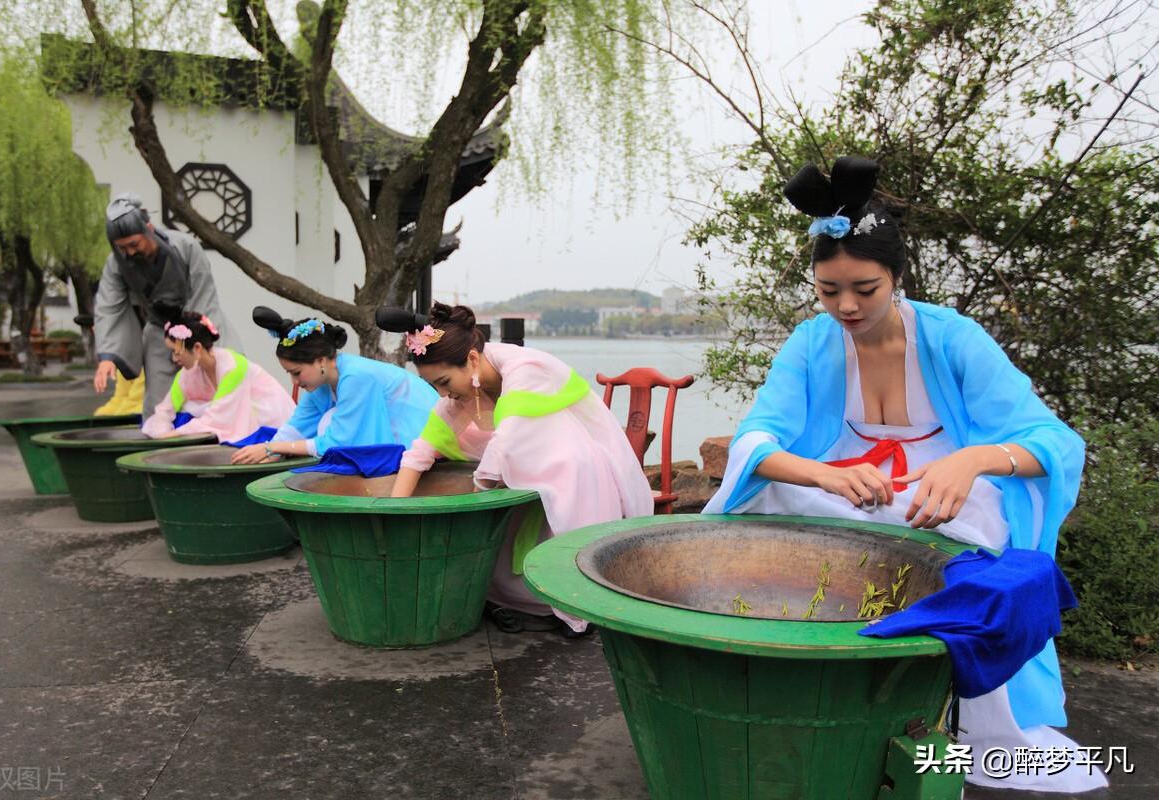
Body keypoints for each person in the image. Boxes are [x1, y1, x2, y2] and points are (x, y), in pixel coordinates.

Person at [703, 156, 1104, 793]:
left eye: (865, 289)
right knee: (766, 492)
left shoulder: (952, 338)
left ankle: (972, 722)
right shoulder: (811, 342)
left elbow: (1052, 441)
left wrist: (971, 459)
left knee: (978, 519)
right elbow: (758, 439)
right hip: (850, 489)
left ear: (896, 276)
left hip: (945, 494)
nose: (846, 306)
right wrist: (819, 474)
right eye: (829, 290)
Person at [382, 302, 654, 637]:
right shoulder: (462, 389)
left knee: (562, 481)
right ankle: (515, 598)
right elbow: (420, 452)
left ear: (470, 360)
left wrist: (473, 500)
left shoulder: (526, 369)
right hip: (524, 468)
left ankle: (573, 603)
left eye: (443, 382)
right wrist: (393, 514)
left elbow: (508, 440)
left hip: (573, 465)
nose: (442, 393)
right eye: (433, 386)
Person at [230, 307, 436, 464]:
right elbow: (296, 428)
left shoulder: (356, 377)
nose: (294, 382)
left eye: (296, 373)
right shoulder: (321, 383)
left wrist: (274, 448)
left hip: (423, 439)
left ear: (320, 360)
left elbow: (340, 442)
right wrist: (269, 450)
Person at [93, 193, 236, 417]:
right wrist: (107, 357)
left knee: (221, 388)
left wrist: (192, 339)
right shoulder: (116, 264)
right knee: (159, 403)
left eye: (133, 244)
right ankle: (160, 447)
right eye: (122, 248)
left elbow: (203, 294)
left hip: (201, 328)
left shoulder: (185, 247)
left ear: (148, 227)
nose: (130, 252)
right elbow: (108, 305)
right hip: (160, 331)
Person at [141, 308, 296, 442]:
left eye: (176, 352)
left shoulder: (233, 367)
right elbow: (166, 409)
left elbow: (217, 418)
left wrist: (172, 436)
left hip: (265, 420)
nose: (174, 359)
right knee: (183, 418)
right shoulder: (188, 372)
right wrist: (162, 432)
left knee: (193, 423)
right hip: (226, 417)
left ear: (197, 347)